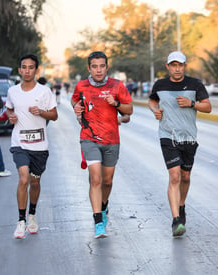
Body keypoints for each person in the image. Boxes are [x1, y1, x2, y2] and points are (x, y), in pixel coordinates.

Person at [148, 51, 212, 237]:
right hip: (168, 135)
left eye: (180, 65)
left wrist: (192, 104)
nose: (177, 69)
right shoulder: (160, 85)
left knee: (185, 177)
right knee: (174, 176)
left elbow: (207, 107)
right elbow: (152, 101)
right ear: (168, 67)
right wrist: (155, 110)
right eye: (173, 65)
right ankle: (176, 220)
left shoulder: (195, 84)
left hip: (189, 137)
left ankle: (181, 205)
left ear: (185, 66)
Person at [72, 51, 133, 239]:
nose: (98, 70)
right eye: (94, 66)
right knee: (96, 178)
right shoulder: (81, 86)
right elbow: (75, 99)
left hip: (111, 139)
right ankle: (98, 221)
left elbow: (129, 109)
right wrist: (76, 108)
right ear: (89, 68)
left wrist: (115, 103)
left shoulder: (117, 85)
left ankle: (104, 205)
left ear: (107, 67)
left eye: (102, 66)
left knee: (107, 181)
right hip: (89, 137)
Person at [6, 54, 58, 239]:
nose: (27, 70)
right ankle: (21, 222)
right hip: (19, 143)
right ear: (20, 70)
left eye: (31, 67)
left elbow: (54, 115)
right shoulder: (12, 91)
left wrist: (41, 112)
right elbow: (9, 108)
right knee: (23, 178)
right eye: (24, 67)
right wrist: (10, 116)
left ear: (36, 70)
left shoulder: (44, 91)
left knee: (35, 182)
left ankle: (32, 215)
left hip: (40, 146)